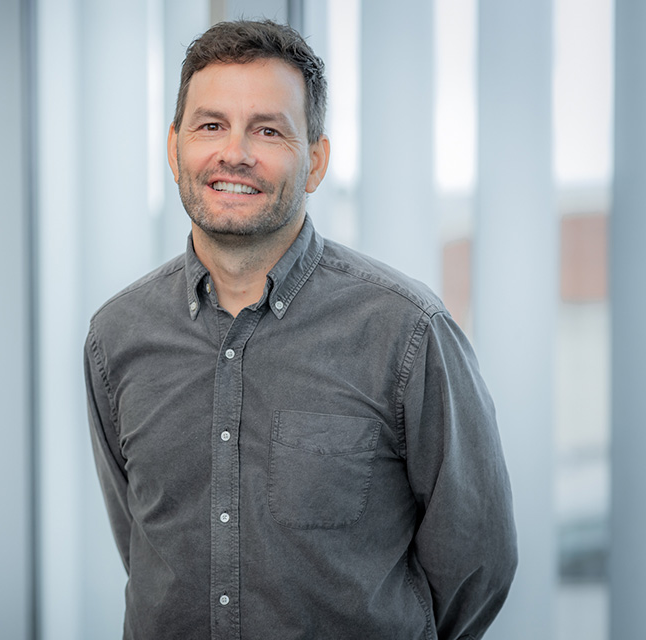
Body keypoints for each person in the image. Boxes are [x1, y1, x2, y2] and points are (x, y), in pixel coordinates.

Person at [84, 19, 517, 640]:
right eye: (212, 126)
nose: (234, 152)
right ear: (175, 145)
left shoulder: (407, 333)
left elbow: (478, 564)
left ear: (315, 161)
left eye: (267, 129)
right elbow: (143, 547)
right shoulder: (116, 337)